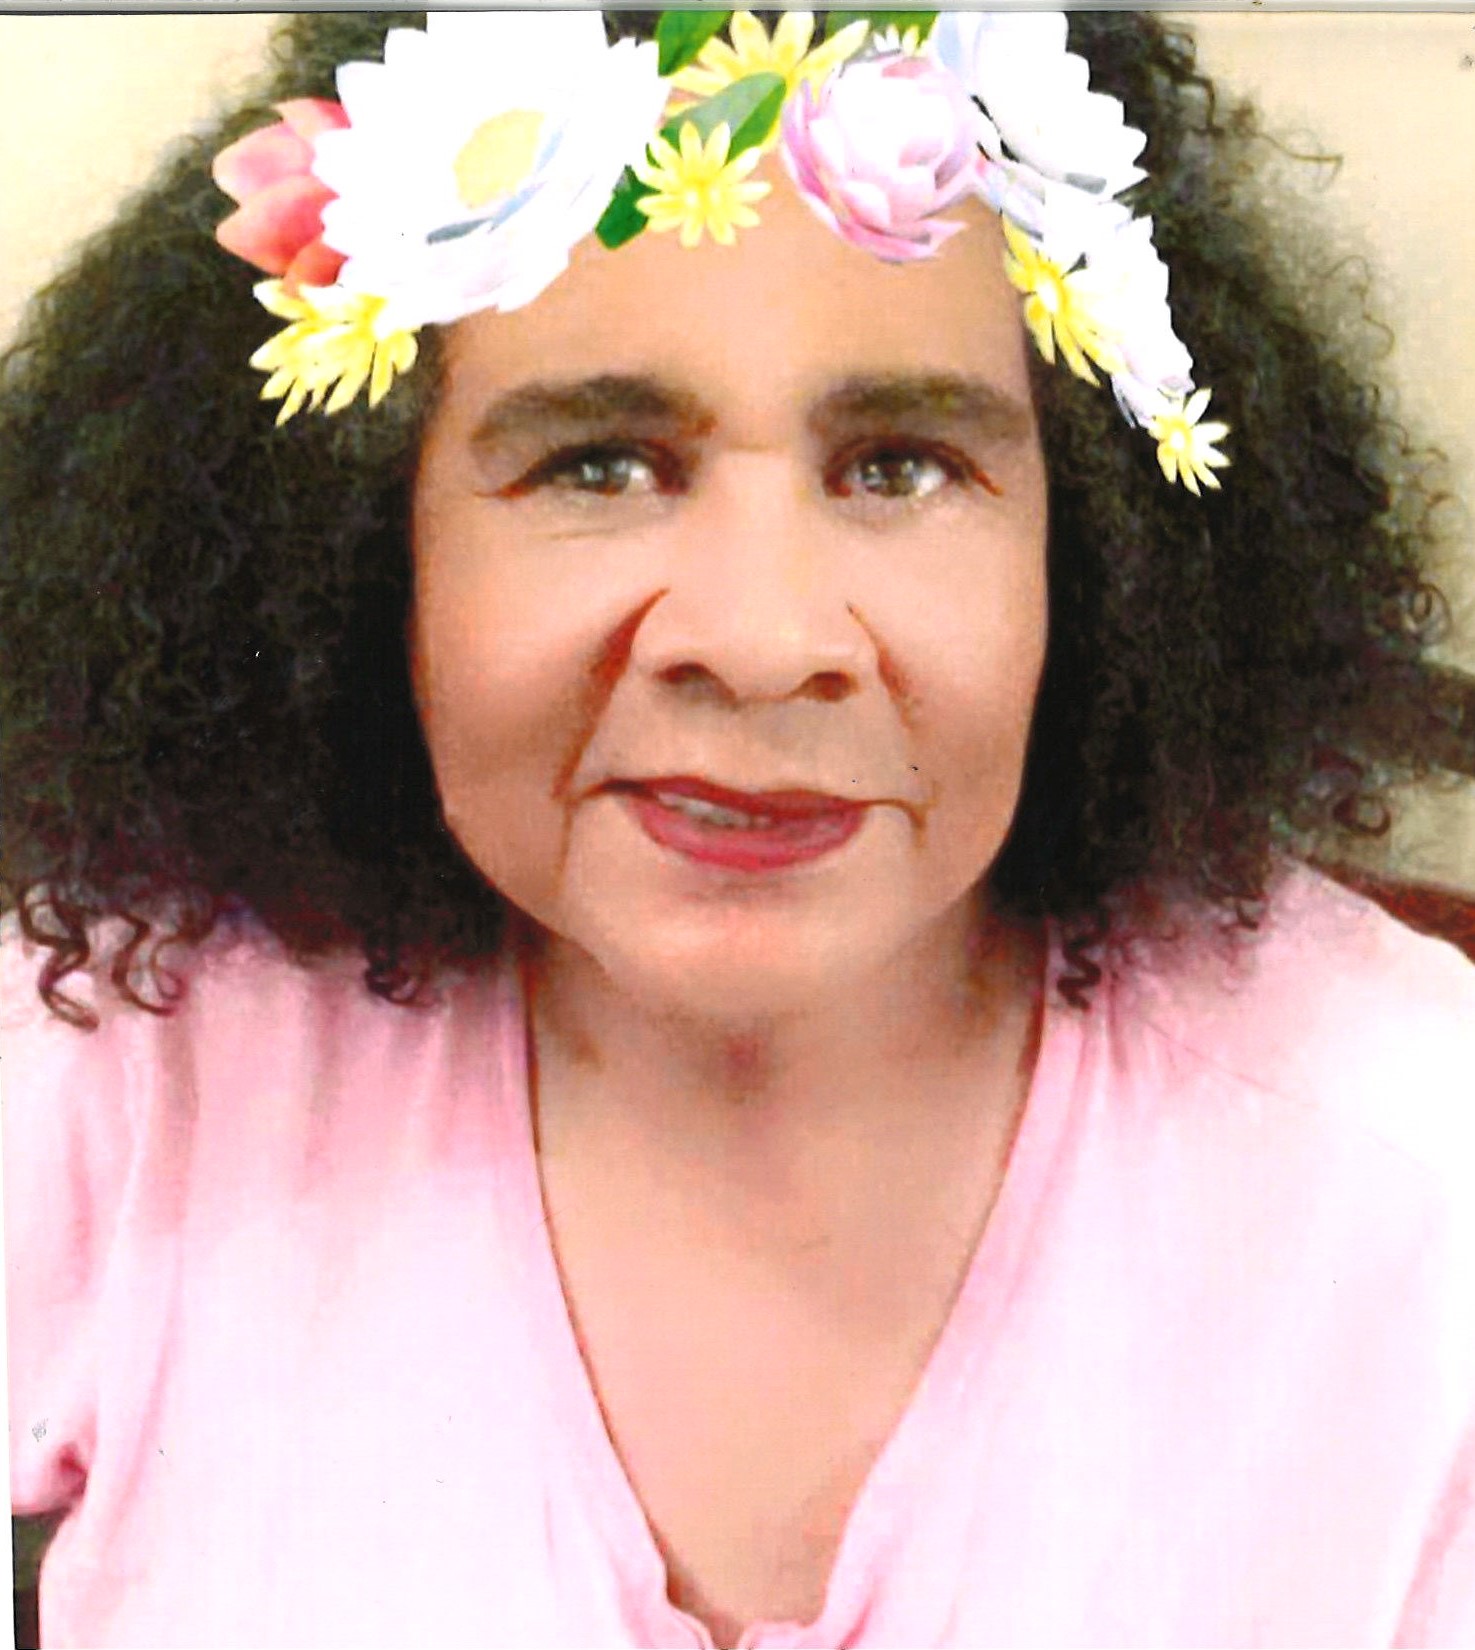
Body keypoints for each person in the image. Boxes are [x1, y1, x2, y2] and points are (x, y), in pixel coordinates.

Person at [3, 10, 1473, 1648]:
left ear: (1099, 553)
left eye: (900, 467)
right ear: (361, 548)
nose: (765, 640)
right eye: (600, 465)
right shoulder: (130, 1052)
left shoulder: (1425, 1184)